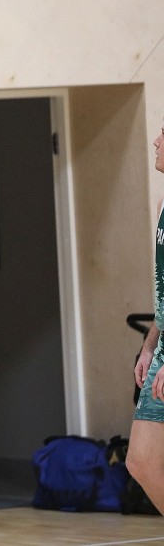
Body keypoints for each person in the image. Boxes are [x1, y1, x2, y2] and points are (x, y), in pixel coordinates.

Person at [127, 122, 164, 511]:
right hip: (163, 347)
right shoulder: (162, 205)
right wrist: (150, 344)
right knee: (141, 461)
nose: (156, 140)